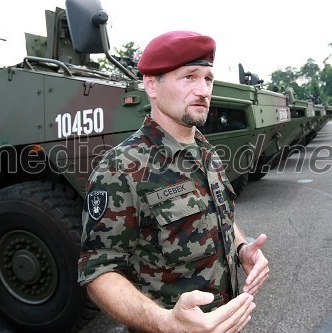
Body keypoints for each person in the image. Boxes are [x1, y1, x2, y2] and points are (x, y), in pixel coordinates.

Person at [77, 30, 269, 332]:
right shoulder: (120, 168)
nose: (204, 90)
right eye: (189, 77)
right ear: (151, 85)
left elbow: (215, 214)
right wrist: (168, 323)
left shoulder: (205, 151)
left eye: (208, 79)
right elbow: (99, 270)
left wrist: (242, 248)